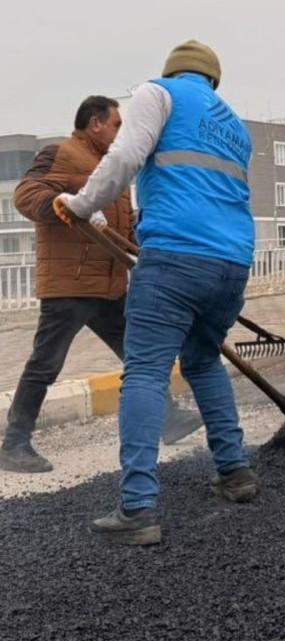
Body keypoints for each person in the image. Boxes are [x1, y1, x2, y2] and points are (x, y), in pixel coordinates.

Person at [54, 40, 259, 545]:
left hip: (175, 255)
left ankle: (138, 509)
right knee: (205, 360)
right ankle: (236, 473)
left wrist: (81, 206)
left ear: (173, 72)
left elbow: (124, 158)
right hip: (232, 263)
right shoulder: (234, 126)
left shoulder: (158, 93)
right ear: (213, 82)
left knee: (145, 369)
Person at [1, 96, 202, 474]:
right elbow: (26, 195)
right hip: (70, 286)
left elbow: (121, 228)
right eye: (116, 124)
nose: (121, 131)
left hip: (109, 285)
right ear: (95, 123)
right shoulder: (59, 153)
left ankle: (168, 418)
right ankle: (14, 444)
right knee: (46, 364)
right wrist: (66, 202)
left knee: (138, 354)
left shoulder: (112, 167)